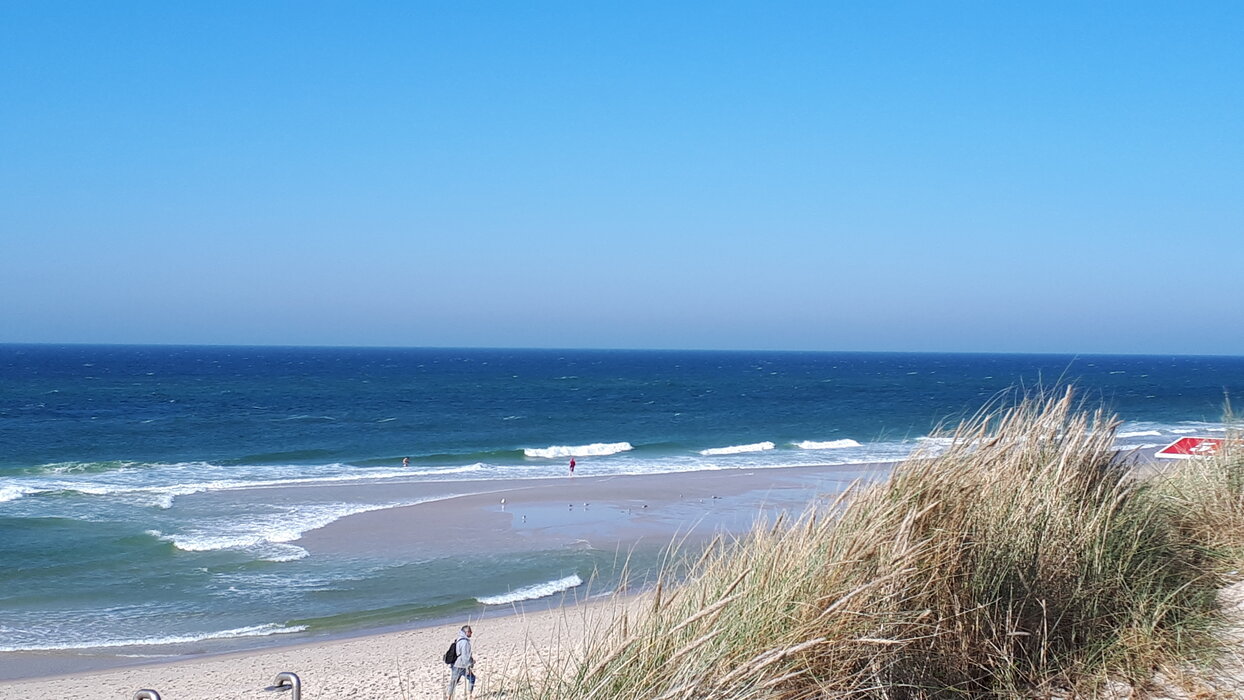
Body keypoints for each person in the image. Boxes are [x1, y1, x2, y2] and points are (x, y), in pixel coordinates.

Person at [446, 624, 475, 698]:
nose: (471, 633)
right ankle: (470, 695)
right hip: (462, 665)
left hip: (455, 665)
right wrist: (468, 666)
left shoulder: (458, 639)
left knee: (453, 682)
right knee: (472, 678)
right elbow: (465, 656)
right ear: (466, 632)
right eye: (470, 632)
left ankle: (449, 697)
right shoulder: (465, 642)